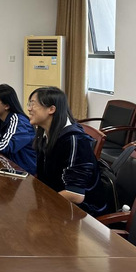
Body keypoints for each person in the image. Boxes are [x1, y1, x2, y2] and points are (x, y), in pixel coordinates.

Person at [27, 86, 108, 216]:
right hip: (56, 202)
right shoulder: (44, 133)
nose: (29, 109)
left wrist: (43, 206)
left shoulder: (74, 140)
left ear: (51, 109)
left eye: (33, 104)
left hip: (82, 213)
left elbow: (75, 194)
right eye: (29, 104)